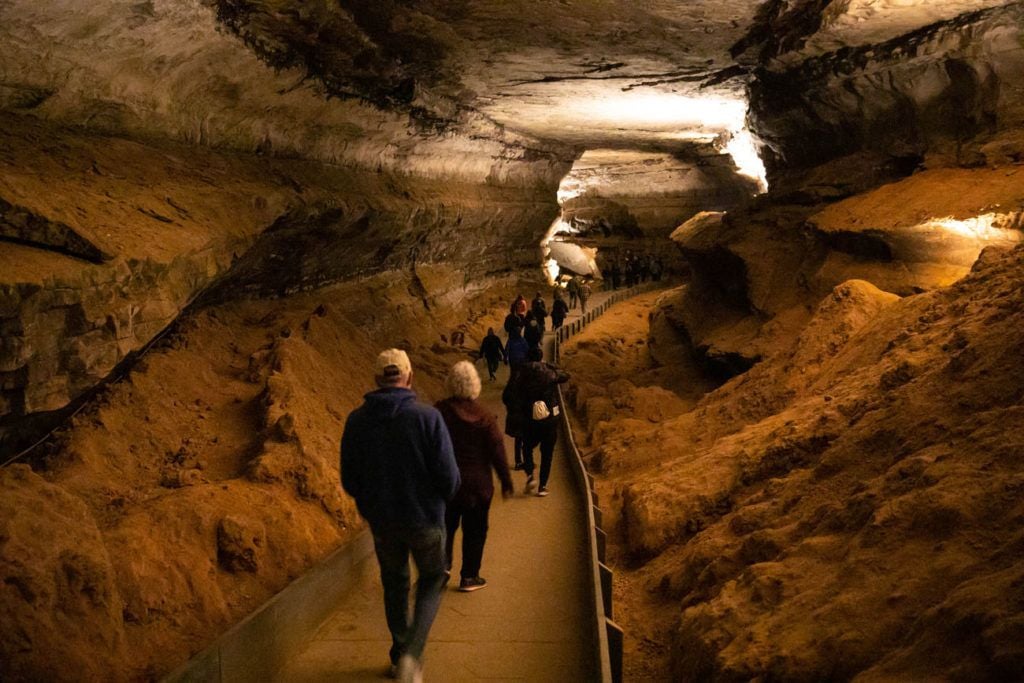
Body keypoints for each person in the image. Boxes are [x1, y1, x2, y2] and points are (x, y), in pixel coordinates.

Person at [340, 349, 460, 683]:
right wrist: (439, 500)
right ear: (409, 377)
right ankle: (411, 654)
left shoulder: (357, 421)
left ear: (377, 380)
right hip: (425, 520)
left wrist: (371, 506)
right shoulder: (427, 418)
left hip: (383, 523)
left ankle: (397, 654)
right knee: (432, 580)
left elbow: (350, 479)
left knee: (394, 584)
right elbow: (449, 478)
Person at [436, 361, 514, 592]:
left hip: (447, 484)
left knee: (445, 529)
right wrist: (506, 480)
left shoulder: (440, 412)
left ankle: (441, 569)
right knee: (476, 531)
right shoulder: (485, 417)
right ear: (475, 385)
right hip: (478, 487)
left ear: (450, 383)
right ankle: (469, 576)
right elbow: (497, 450)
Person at [507, 347, 569, 496]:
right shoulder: (549, 372)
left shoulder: (520, 373)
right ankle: (542, 486)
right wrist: (552, 365)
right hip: (550, 419)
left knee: (527, 448)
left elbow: (510, 394)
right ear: (541, 358)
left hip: (529, 419)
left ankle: (530, 476)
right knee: (547, 453)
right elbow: (566, 375)